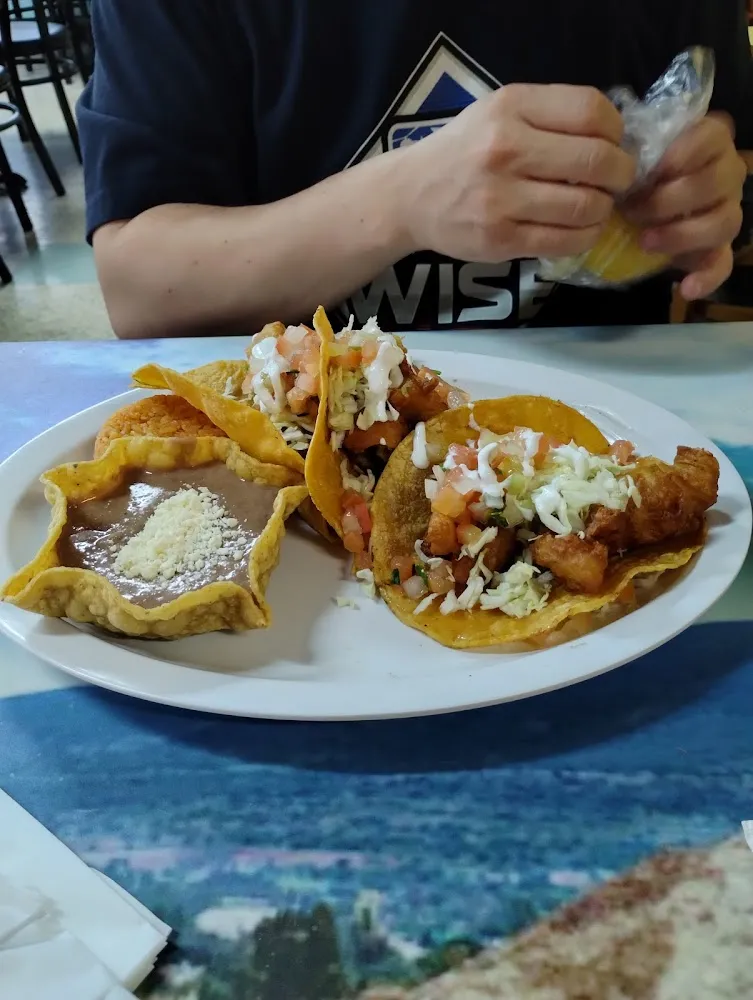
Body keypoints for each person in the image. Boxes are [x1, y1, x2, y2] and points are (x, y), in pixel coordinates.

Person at [78, 0, 752, 339]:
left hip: (611, 433)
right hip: (287, 447)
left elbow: (731, 159)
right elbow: (139, 289)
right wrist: (400, 201)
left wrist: (700, 204)